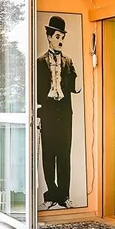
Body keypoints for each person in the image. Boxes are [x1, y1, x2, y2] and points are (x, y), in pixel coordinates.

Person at [36, 15, 80, 209]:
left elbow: (75, 86)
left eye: (62, 37)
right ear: (49, 37)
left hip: (64, 112)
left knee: (64, 154)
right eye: (57, 36)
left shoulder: (68, 62)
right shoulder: (40, 62)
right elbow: (36, 90)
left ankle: (64, 195)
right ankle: (51, 194)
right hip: (48, 111)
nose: (60, 40)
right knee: (48, 154)